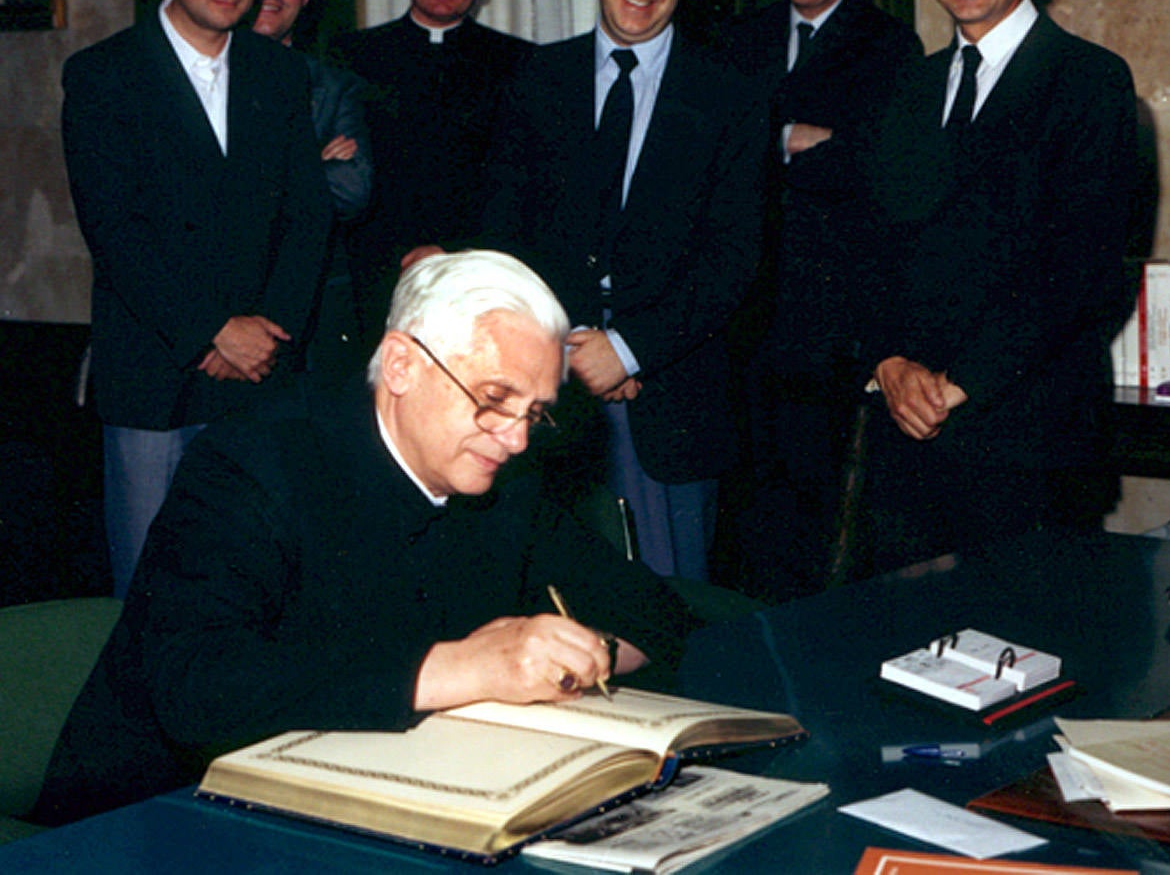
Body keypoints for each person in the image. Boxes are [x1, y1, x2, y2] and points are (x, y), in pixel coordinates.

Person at [32, 249, 695, 826]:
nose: (517, 439)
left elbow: (650, 611)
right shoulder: (252, 462)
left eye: (534, 413)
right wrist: (461, 669)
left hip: (369, 802)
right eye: (494, 398)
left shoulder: (502, 478)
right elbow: (195, 687)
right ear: (403, 365)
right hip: (159, 819)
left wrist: (581, 658)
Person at [852, 0, 1137, 574]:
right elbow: (868, 249)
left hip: (1030, 447)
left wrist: (957, 384)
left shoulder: (1089, 82)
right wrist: (887, 363)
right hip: (907, 446)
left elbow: (1082, 273)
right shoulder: (907, 89)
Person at [481, 0, 768, 582]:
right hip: (545, 391)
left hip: (668, 404)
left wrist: (630, 351)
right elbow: (503, 232)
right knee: (545, 604)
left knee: (668, 615)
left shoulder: (730, 96)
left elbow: (733, 260)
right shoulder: (535, 80)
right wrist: (570, 345)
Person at [62, 0, 332, 597]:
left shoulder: (279, 74)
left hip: (258, 378)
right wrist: (212, 331)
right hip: (155, 373)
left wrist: (265, 336)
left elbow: (306, 220)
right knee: (152, 594)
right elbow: (115, 232)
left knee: (252, 585)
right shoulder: (103, 74)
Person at [715, 0, 923, 602]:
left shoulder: (891, 46)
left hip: (830, 330)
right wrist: (795, 141)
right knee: (742, 530)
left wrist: (804, 150)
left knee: (822, 534)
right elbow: (722, 158)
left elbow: (881, 168)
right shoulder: (737, 40)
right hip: (739, 323)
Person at [331, 0, 533, 343]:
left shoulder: (524, 65)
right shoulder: (349, 59)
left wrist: (454, 255)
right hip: (370, 292)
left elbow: (523, 190)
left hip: (481, 284)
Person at [253, 0, 373, 382]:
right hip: (222, 319)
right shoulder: (204, 82)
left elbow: (352, 190)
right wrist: (310, 163)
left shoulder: (334, 87)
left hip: (315, 318)